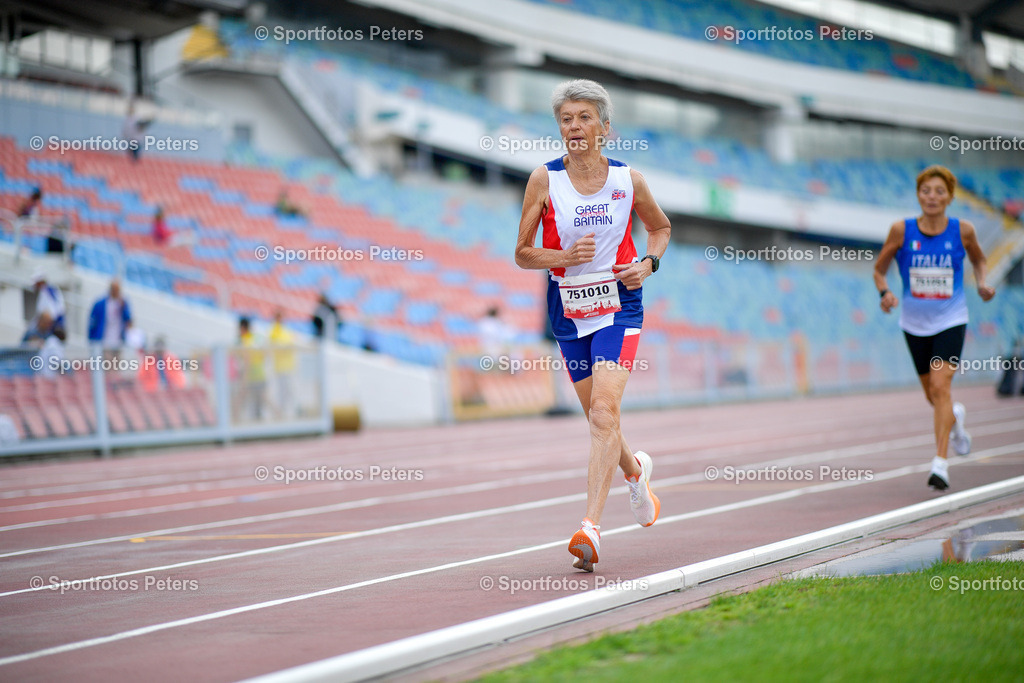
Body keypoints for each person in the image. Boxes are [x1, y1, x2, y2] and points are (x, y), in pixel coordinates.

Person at [515, 79, 671, 572]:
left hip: (619, 305)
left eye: (584, 118)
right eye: (566, 119)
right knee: (597, 418)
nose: (574, 127)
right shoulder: (544, 179)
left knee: (605, 412)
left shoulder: (630, 181)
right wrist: (561, 256)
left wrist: (648, 263)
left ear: (605, 128)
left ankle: (590, 529)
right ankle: (635, 474)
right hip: (568, 308)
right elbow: (521, 253)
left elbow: (661, 228)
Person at [874, 165, 995, 491]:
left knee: (941, 386)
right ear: (918, 195)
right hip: (913, 324)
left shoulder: (963, 231)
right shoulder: (901, 231)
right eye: (926, 191)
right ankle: (954, 420)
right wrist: (884, 293)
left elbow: (980, 260)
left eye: (939, 191)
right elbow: (879, 270)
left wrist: (983, 282)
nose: (932, 197)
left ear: (950, 197)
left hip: (950, 319)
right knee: (934, 396)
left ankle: (940, 464)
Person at [87, 280, 133, 361]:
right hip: (104, 340)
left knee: (116, 366)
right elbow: (93, 322)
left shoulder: (123, 303)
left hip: (118, 341)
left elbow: (129, 321)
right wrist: (92, 338)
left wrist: (123, 308)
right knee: (107, 364)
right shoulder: (100, 303)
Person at [268, 309, 297, 419]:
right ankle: (280, 413)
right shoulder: (274, 331)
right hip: (280, 366)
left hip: (288, 366)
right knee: (281, 392)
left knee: (288, 391)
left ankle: (285, 412)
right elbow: (274, 346)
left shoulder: (285, 330)